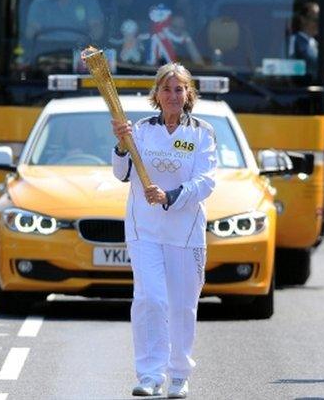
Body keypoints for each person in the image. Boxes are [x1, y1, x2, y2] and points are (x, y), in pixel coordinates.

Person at [110, 62, 217, 399]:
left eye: (179, 89)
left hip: (185, 233)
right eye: (166, 89)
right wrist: (121, 145)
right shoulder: (140, 130)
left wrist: (170, 195)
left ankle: (178, 374)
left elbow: (206, 181)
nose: (172, 95)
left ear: (188, 94)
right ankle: (149, 374)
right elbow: (122, 173)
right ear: (156, 94)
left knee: (183, 305)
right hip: (145, 229)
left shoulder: (201, 133)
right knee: (150, 298)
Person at [287, 3, 319, 77]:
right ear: (303, 19)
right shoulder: (293, 40)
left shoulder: (315, 43)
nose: (318, 24)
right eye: (315, 20)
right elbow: (288, 66)